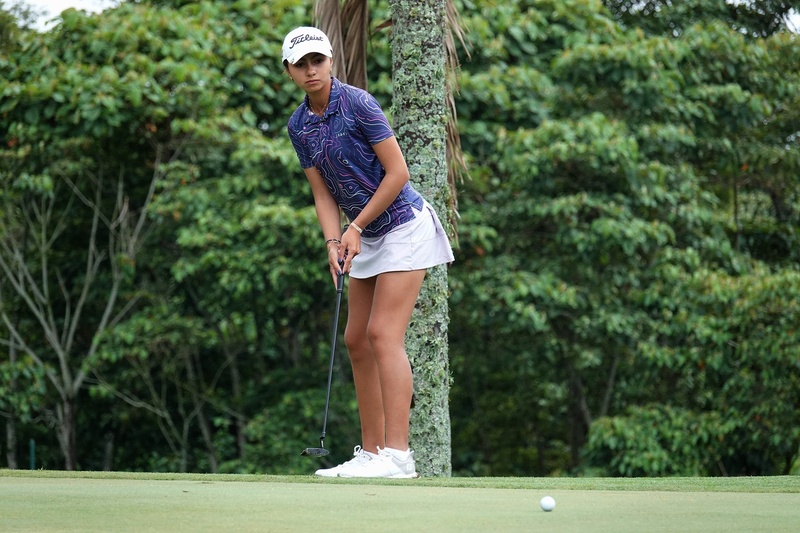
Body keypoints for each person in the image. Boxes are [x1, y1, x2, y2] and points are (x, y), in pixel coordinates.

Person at [282, 26, 454, 478]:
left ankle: (399, 456)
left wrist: (354, 227)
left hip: (403, 226)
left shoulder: (359, 104)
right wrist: (332, 241)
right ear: (289, 72)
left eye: (317, 60)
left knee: (382, 334)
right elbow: (322, 193)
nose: (311, 70)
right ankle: (374, 452)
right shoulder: (299, 126)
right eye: (301, 64)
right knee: (356, 339)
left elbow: (398, 173)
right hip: (365, 236)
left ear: (331, 61)